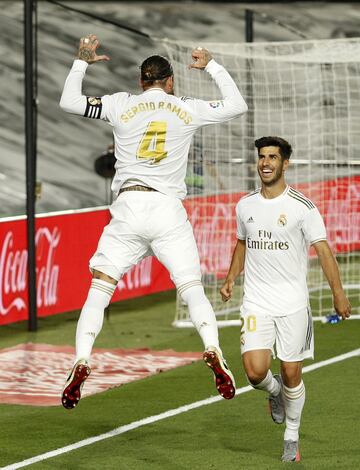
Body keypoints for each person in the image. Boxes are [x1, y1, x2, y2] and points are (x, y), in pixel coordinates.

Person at [59, 35, 248, 409]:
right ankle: (212, 348)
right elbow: (237, 104)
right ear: (171, 81)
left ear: (140, 81)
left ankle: (81, 358)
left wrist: (82, 62)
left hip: (129, 205)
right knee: (191, 287)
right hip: (167, 209)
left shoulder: (119, 104)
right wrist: (210, 64)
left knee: (100, 287)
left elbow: (68, 101)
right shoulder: (187, 107)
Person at [220, 136, 351, 462]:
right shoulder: (245, 205)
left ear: (285, 163)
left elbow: (323, 251)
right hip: (256, 302)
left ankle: (291, 435)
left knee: (293, 372)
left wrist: (338, 293)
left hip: (293, 304)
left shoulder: (302, 208)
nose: (265, 163)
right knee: (254, 373)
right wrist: (231, 277)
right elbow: (241, 244)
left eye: (272, 157)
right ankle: (274, 392)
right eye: (262, 157)